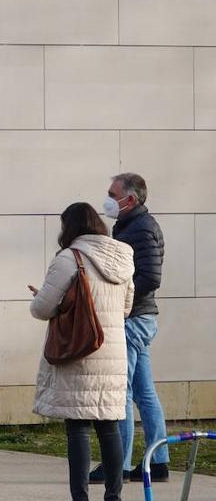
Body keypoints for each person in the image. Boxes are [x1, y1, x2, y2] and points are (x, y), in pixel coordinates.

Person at [30, 202, 134, 501]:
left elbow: (42, 308)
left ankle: (81, 498)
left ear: (70, 227)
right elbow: (126, 308)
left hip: (79, 351)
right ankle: (114, 496)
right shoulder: (124, 257)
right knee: (109, 427)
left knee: (78, 428)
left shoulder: (69, 257)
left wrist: (47, 300)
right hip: (113, 353)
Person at [90, 172, 169, 484]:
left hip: (133, 319)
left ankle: (117, 466)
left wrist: (117, 298)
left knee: (120, 393)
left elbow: (150, 277)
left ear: (130, 199)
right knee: (145, 393)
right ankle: (158, 462)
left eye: (113, 194)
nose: (108, 200)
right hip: (140, 317)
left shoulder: (141, 228)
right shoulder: (130, 225)